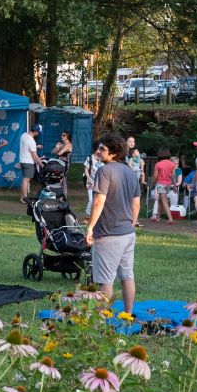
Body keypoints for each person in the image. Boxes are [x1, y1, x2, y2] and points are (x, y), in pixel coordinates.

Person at [83, 132, 140, 315]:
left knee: (105, 281)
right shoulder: (129, 171)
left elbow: (99, 201)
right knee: (127, 276)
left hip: (109, 234)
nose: (98, 152)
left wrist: (90, 227)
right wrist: (131, 222)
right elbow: (136, 202)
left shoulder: (104, 171)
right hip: (128, 233)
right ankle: (128, 314)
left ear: (114, 153)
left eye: (102, 149)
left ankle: (100, 321)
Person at [149, 148, 179, 221]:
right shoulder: (172, 164)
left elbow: (155, 176)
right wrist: (175, 186)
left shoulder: (158, 164)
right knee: (160, 201)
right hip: (168, 185)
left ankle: (170, 219)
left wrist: (152, 184)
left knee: (164, 201)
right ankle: (158, 218)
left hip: (161, 184)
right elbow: (173, 176)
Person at [17, 122, 40, 199]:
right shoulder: (32, 141)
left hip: (22, 161)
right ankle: (25, 198)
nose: (38, 134)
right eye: (38, 132)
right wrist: (41, 164)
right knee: (26, 180)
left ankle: (22, 198)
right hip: (29, 162)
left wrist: (36, 147)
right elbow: (34, 155)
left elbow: (26, 147)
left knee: (24, 180)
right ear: (36, 131)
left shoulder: (23, 135)